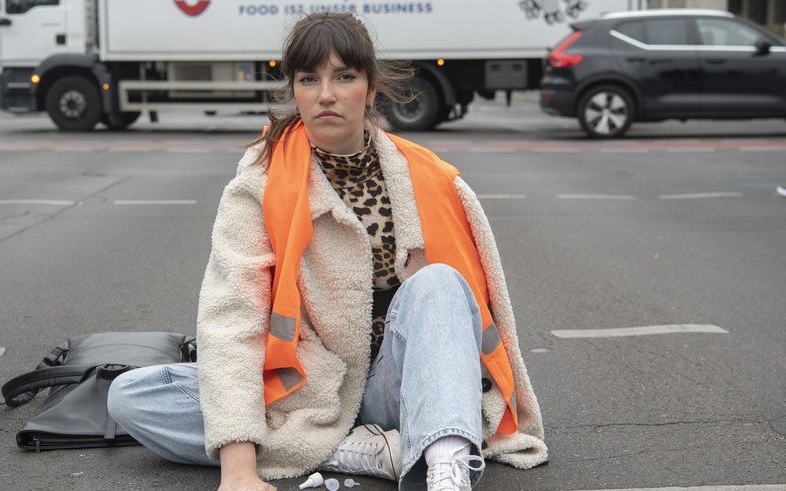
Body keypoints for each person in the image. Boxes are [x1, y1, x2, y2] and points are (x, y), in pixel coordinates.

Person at [107, 12, 547, 491]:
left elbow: (487, 315)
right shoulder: (259, 183)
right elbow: (233, 320)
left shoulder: (431, 177)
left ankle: (443, 470)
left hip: (403, 386)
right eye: (309, 79)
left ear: (371, 87)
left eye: (345, 76)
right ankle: (370, 450)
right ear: (293, 90)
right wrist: (238, 472)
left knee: (438, 282)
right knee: (132, 396)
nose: (326, 94)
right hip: (305, 393)